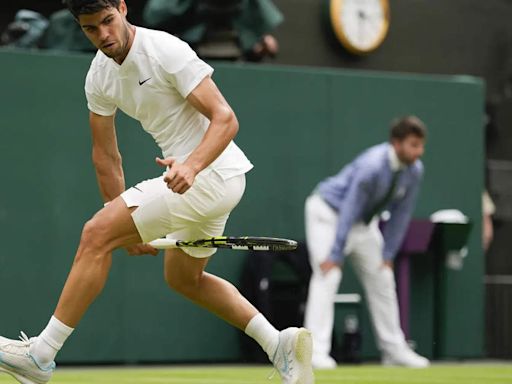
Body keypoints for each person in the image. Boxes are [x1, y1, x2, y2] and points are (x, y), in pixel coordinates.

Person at [0, 1, 313, 384]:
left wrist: (191, 165)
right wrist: (120, 217)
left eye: (108, 22)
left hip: (209, 174)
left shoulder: (166, 50)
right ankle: (278, 344)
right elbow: (105, 154)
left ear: (123, 8)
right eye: (90, 29)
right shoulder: (98, 76)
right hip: (205, 181)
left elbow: (225, 118)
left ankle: (41, 354)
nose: (103, 35)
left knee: (95, 235)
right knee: (184, 279)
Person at [304, 116, 430, 369]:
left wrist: (388, 254)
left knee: (383, 277)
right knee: (328, 275)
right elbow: (349, 207)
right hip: (328, 214)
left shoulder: (414, 170)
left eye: (421, 145)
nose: (419, 151)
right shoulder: (372, 166)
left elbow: (401, 214)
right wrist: (336, 253)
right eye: (413, 145)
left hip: (362, 223)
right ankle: (314, 351)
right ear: (396, 143)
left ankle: (394, 350)